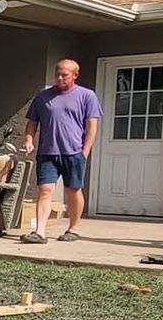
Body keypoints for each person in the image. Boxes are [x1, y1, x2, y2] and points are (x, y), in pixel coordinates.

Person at [21, 59, 102, 244]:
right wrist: (29, 140)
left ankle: (73, 228)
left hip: (73, 152)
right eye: (57, 74)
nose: (59, 78)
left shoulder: (87, 96)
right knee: (45, 190)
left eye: (64, 75)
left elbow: (92, 127)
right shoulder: (42, 97)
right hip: (47, 153)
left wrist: (85, 152)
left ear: (75, 75)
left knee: (73, 190)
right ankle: (39, 232)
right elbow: (32, 123)